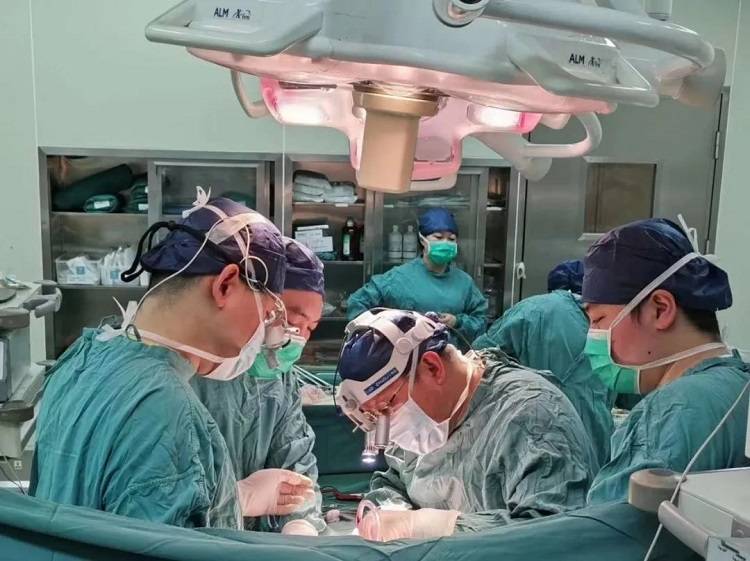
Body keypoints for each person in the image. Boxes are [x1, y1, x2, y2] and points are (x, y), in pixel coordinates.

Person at [31, 195, 313, 529]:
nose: (263, 336)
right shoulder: (166, 409)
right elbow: (174, 546)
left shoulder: (83, 356)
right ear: (225, 285)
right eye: (266, 315)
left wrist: (230, 498)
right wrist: (237, 500)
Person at [337, 309, 597, 541]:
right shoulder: (426, 421)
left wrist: (428, 527)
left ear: (432, 367)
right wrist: (391, 512)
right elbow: (395, 481)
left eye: (387, 405)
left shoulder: (532, 417)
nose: (387, 423)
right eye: (375, 416)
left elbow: (553, 536)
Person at [581, 218, 750, 504]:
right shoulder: (738, 385)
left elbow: (609, 527)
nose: (592, 339)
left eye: (598, 319)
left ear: (660, 309)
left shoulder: (672, 411)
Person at [190, 237, 326, 536]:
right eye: (294, 321)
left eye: (310, 328)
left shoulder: (278, 378)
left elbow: (295, 463)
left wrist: (300, 524)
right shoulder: (185, 372)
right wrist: (236, 498)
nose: (300, 338)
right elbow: (157, 499)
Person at [473, 260, 614, 469]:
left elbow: (478, 358)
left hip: (531, 436)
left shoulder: (534, 310)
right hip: (594, 443)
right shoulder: (609, 322)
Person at [346, 208, 487, 346]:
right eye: (438, 237)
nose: (445, 243)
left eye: (451, 239)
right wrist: (383, 335)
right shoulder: (399, 278)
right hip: (404, 356)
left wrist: (457, 322)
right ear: (422, 239)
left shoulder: (464, 282)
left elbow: (480, 320)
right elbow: (357, 303)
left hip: (449, 357)